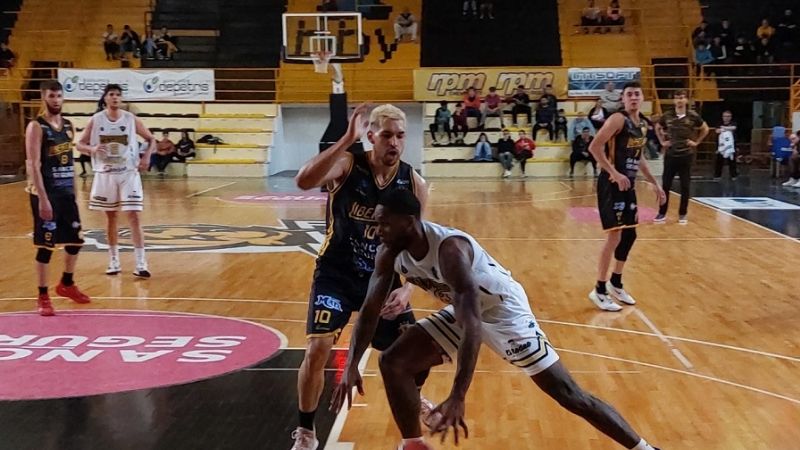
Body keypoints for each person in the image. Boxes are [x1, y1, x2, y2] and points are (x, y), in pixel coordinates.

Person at [329, 188, 663, 450]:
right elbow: (371, 309)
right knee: (393, 363)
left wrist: (459, 395)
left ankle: (644, 448)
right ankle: (414, 445)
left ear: (409, 221)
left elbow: (474, 323)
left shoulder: (449, 250)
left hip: (503, 312)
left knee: (569, 394)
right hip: (465, 312)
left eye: (384, 222)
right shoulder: (389, 252)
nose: (377, 230)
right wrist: (352, 364)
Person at [291, 103, 431, 450]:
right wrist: (344, 140)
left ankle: (415, 401)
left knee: (414, 353)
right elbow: (304, 180)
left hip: (383, 280)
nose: (394, 143)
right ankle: (306, 432)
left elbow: (420, 245)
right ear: (371, 137)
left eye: (400, 135)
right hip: (337, 272)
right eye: (386, 135)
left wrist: (409, 289)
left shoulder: (414, 182)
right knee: (318, 346)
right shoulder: (348, 165)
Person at [588, 81, 666, 312]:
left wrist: (654, 183)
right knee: (614, 236)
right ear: (623, 99)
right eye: (629, 94)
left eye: (637, 94)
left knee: (630, 235)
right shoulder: (617, 119)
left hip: (628, 183)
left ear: (642, 98)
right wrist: (613, 172)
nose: (633, 97)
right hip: (611, 183)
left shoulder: (642, 124)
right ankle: (599, 290)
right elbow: (594, 147)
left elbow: (638, 157)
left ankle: (616, 283)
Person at [24, 80, 91, 316]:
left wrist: (75, 192)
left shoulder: (69, 125)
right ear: (44, 97)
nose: (56, 100)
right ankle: (42, 295)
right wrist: (42, 198)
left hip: (66, 193)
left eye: (59, 96)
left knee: (75, 240)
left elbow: (70, 161)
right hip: (46, 193)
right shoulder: (36, 127)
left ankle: (67, 284)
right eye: (52, 96)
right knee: (46, 245)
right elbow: (33, 164)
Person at [77, 84, 156, 278]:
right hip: (106, 173)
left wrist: (146, 157)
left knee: (134, 215)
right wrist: (93, 149)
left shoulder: (130, 119)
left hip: (128, 172)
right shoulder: (96, 120)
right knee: (111, 217)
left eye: (118, 95)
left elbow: (151, 139)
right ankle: (113, 261)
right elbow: (79, 144)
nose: (115, 98)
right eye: (111, 94)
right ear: (105, 98)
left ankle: (141, 263)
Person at [654, 90, 709, 224]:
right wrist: (662, 141)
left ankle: (682, 214)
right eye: (677, 98)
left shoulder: (693, 116)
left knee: (685, 186)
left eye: (682, 98)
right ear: (674, 100)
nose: (679, 100)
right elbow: (657, 127)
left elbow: (705, 128)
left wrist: (696, 142)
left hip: (686, 155)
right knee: (666, 185)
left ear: (686, 100)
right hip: (671, 155)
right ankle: (662, 213)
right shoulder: (667, 116)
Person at [713, 110, 737, 180]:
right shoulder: (719, 123)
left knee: (732, 160)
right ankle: (717, 175)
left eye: (728, 116)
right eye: (725, 116)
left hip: (731, 145)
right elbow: (717, 130)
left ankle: (733, 175)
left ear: (730, 117)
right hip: (721, 145)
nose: (726, 118)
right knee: (719, 161)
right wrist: (726, 129)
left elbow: (734, 128)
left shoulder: (733, 123)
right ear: (722, 117)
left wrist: (724, 128)